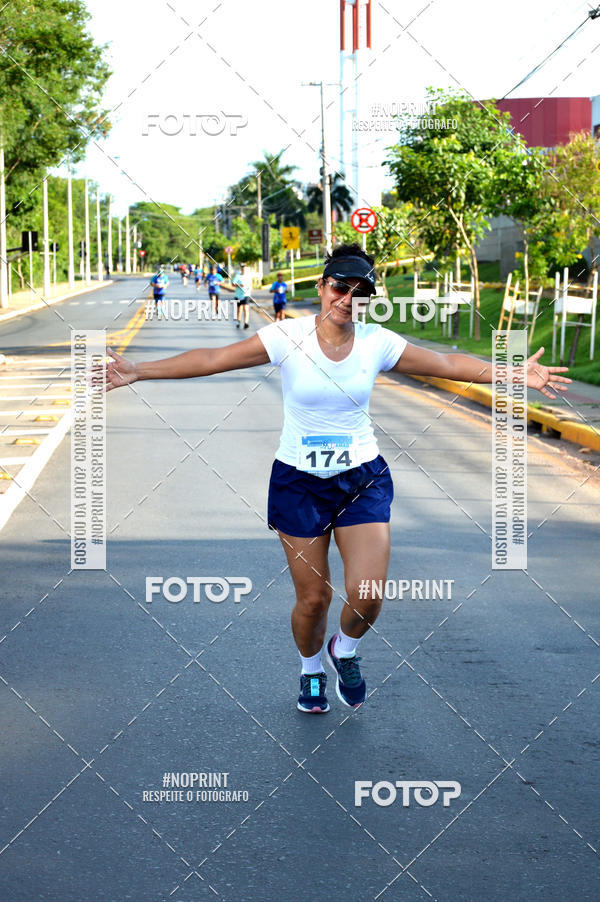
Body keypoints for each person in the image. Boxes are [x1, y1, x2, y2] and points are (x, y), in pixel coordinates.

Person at [105, 243, 571, 714]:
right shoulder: (286, 336)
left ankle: (343, 651)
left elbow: (447, 365)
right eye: (339, 287)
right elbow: (212, 359)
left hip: (361, 480)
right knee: (313, 600)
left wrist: (514, 373)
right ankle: (310, 670)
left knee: (367, 596)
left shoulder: (377, 342)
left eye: (360, 291)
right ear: (322, 286)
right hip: (298, 482)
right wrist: (139, 371)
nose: (348, 298)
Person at [233, 262, 253, 329]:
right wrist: (239, 285)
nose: (243, 270)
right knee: (239, 309)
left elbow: (250, 285)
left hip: (246, 295)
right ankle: (238, 322)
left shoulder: (248, 276)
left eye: (244, 269)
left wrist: (249, 290)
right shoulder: (237, 276)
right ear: (241, 269)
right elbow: (233, 284)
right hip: (238, 295)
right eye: (242, 269)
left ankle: (246, 323)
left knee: (246, 308)